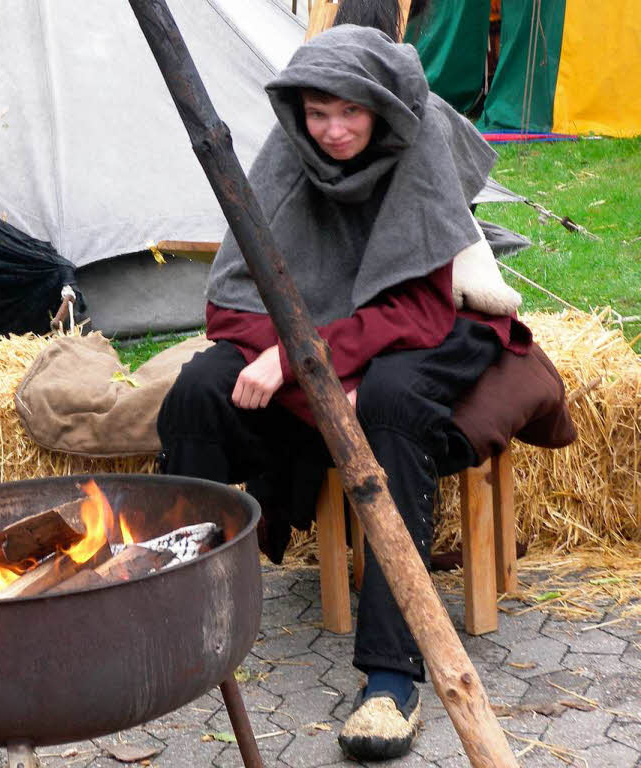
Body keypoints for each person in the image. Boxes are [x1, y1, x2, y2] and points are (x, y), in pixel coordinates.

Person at [157, 25, 531, 761]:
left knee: (388, 404)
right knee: (200, 388)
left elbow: (421, 309)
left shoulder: (417, 148)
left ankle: (393, 680)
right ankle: (181, 615)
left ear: (381, 109)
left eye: (350, 113)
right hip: (313, 350)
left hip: (420, 337)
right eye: (317, 112)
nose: (331, 131)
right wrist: (313, 379)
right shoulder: (289, 157)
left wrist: (305, 363)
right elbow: (230, 308)